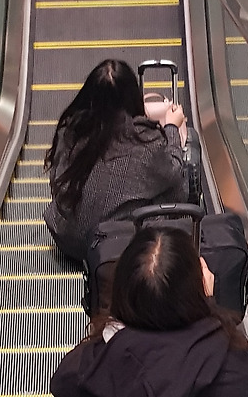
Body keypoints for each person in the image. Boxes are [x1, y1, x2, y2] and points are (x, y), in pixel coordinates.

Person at [51, 225, 248, 397]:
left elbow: (64, 394)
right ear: (198, 291)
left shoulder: (87, 369)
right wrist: (211, 306)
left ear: (121, 292)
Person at [44, 58, 190, 262]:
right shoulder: (145, 140)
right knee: (175, 181)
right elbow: (174, 172)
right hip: (113, 243)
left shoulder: (71, 130)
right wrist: (171, 128)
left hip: (68, 238)